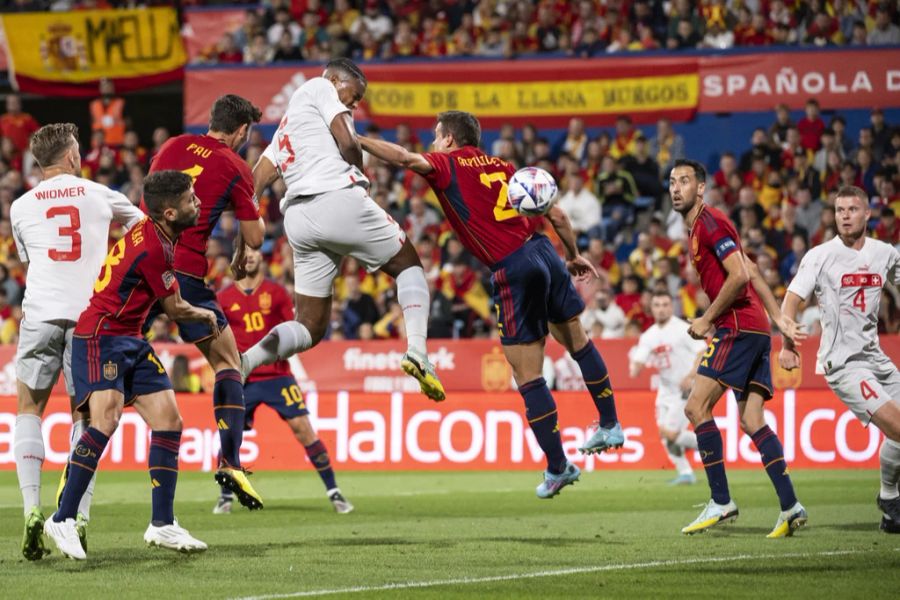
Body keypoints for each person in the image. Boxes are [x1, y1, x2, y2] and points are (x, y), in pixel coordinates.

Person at [358, 110, 625, 498]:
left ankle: (557, 467)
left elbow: (402, 157)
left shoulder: (445, 164)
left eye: (436, 136)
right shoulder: (504, 165)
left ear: (449, 139)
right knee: (578, 343)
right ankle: (611, 423)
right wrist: (572, 254)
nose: (433, 143)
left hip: (512, 267)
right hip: (544, 251)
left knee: (528, 375)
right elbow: (559, 215)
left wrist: (358, 139)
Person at [241, 59, 444, 402]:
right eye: (354, 94)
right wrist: (360, 182)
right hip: (337, 198)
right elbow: (349, 141)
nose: (354, 103)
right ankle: (418, 352)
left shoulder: (288, 129)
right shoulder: (320, 86)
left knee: (309, 326)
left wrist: (240, 245)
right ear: (335, 80)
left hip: (299, 221)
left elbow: (253, 186)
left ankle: (245, 362)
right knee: (408, 264)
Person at [45, 171, 211, 560]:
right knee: (106, 419)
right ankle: (63, 517)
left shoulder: (156, 232)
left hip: (131, 336)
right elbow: (177, 310)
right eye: (191, 200)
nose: (198, 204)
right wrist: (209, 317)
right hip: (102, 334)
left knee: (169, 420)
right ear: (169, 213)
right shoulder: (155, 247)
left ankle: (162, 524)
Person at [10, 123, 144, 560]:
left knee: (29, 409)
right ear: (71, 157)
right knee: (84, 417)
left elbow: (32, 259)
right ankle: (77, 517)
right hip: (91, 319)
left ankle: (32, 510)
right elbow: (145, 231)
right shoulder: (99, 194)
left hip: (40, 315)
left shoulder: (21, 206)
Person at [669, 158, 807, 537]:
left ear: (700, 188)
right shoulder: (701, 226)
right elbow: (752, 269)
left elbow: (740, 274)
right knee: (751, 421)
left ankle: (721, 500)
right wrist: (778, 318)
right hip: (755, 328)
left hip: (736, 326)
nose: (675, 187)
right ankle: (790, 504)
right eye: (672, 181)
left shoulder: (710, 221)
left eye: (684, 181)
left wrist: (708, 318)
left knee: (695, 407)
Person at [147, 94, 266, 510]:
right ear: (240, 131)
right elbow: (254, 239)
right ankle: (231, 462)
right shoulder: (235, 166)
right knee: (228, 363)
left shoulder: (171, 146)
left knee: (109, 358)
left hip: (141, 267)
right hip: (185, 275)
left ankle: (75, 466)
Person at [780, 185, 900, 534]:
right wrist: (788, 345)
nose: (845, 216)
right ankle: (891, 498)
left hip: (876, 358)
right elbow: (791, 302)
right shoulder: (820, 256)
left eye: (852, 209)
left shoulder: (884, 253)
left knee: (896, 435)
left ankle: (890, 501)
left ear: (867, 214)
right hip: (843, 365)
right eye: (839, 210)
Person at [214, 246, 354, 515]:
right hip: (243, 378)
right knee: (229, 436)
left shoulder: (276, 292)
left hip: (278, 375)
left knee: (304, 428)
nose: (250, 256)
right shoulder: (223, 297)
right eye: (245, 252)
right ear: (237, 259)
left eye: (254, 251)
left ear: (262, 258)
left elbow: (294, 330)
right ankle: (225, 497)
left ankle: (334, 491)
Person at [629, 290, 707, 485]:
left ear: (671, 307)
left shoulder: (683, 329)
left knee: (671, 433)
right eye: (657, 305)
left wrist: (691, 376)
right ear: (651, 308)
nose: (661, 309)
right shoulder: (648, 336)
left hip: (686, 388)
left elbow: (703, 351)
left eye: (665, 305)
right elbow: (636, 365)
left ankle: (709, 444)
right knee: (665, 435)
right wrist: (635, 366)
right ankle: (686, 473)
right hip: (665, 391)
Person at [89, 79, 126, 147]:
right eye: (105, 87)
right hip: (98, 144)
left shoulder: (120, 102)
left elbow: (129, 121)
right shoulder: (94, 104)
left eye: (109, 87)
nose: (107, 89)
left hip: (117, 142)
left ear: (113, 88)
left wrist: (116, 121)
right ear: (100, 88)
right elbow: (90, 123)